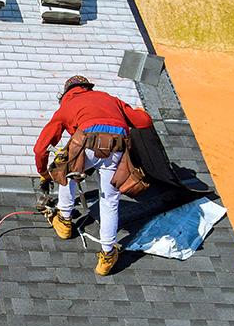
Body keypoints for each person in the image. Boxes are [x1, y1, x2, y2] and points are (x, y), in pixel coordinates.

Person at [34, 75, 153, 276]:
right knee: (110, 201)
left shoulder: (67, 106)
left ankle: (64, 221)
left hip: (86, 145)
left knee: (66, 170)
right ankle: (107, 255)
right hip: (116, 148)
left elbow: (40, 149)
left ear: (65, 94)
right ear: (87, 88)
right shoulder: (109, 98)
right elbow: (144, 122)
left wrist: (45, 173)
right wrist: (138, 111)